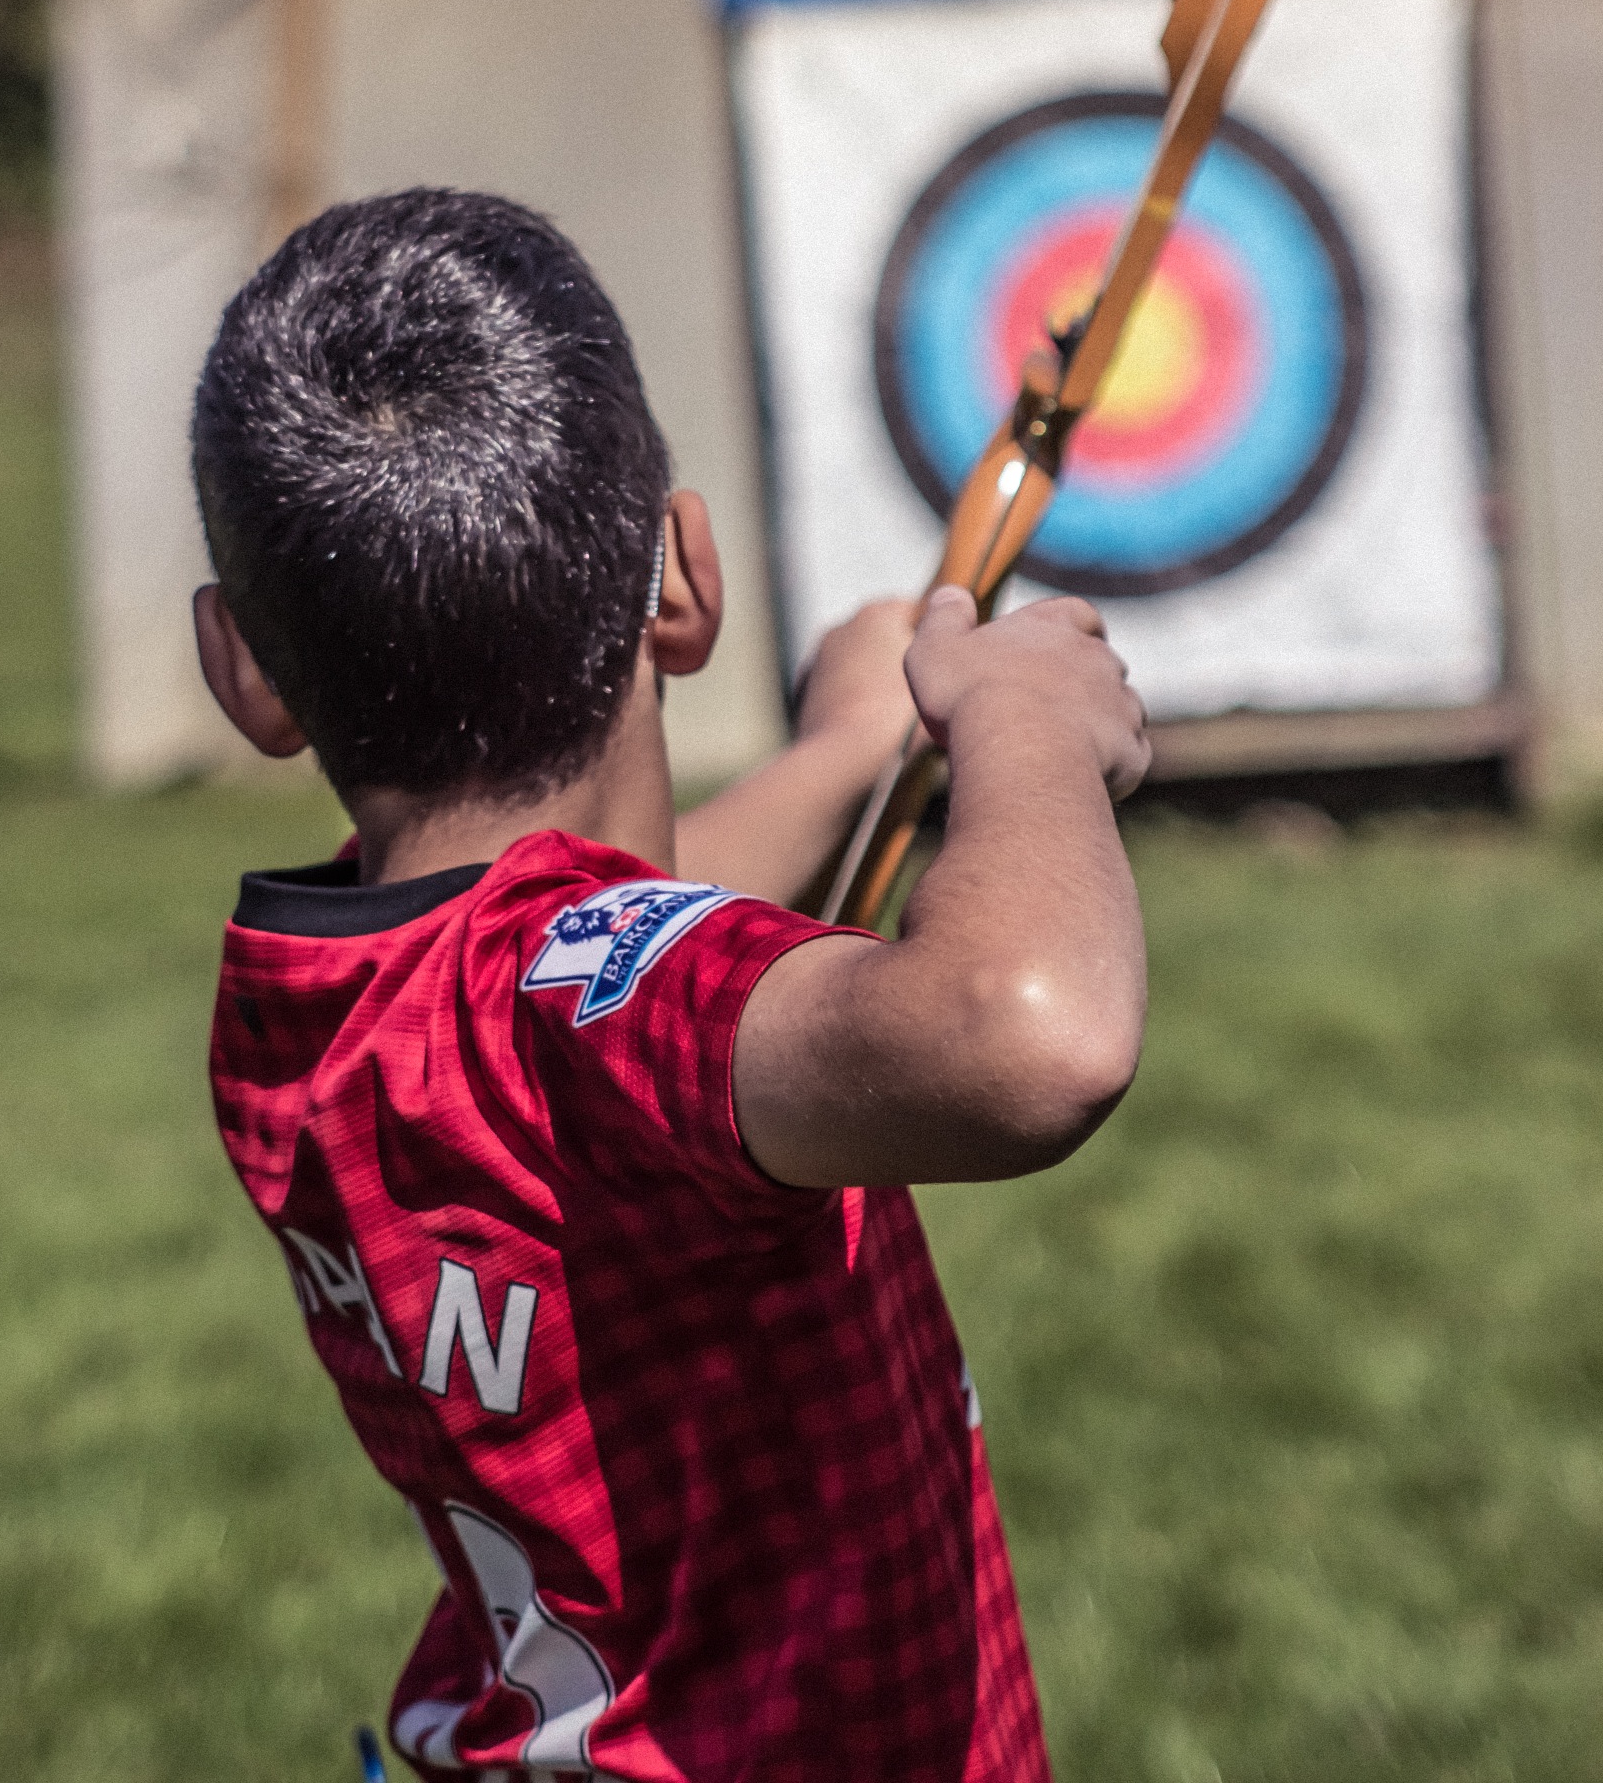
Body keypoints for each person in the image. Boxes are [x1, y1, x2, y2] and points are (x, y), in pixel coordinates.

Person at [193, 187, 1150, 1782]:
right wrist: (1025, 722)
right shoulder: (603, 1012)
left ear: (245, 669)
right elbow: (1033, 1034)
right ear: (685, 577)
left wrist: (846, 751)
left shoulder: (301, 1002)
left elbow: (592, 945)